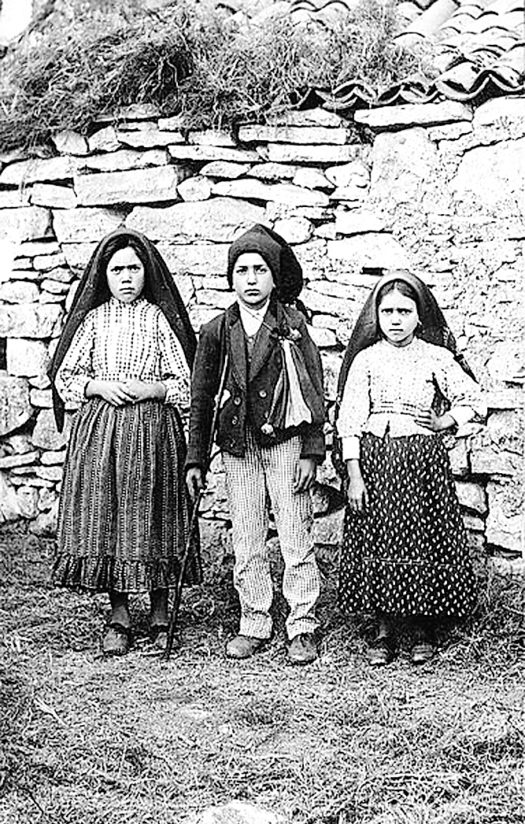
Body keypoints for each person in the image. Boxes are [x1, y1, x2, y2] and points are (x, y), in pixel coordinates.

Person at [49, 229, 200, 656]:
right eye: (117, 270)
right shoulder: (94, 320)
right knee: (110, 518)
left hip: (153, 431)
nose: (127, 277)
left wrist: (152, 389)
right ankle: (119, 615)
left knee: (154, 516)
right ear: (105, 275)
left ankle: (159, 612)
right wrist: (98, 385)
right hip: (103, 432)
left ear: (146, 272)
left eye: (134, 268)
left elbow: (185, 381)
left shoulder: (158, 319)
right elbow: (65, 377)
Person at [186, 224, 325, 665]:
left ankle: (302, 623)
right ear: (231, 277)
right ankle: (254, 620)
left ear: (273, 277)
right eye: (242, 270)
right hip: (238, 446)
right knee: (247, 535)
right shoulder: (216, 330)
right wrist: (196, 458)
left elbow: (313, 388)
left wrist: (311, 451)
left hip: (285, 443)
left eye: (260, 270)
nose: (251, 279)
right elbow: (201, 397)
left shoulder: (292, 325)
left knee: (294, 531)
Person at [335, 270, 485, 666]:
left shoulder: (435, 357)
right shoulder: (366, 359)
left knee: (421, 536)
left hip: (422, 463)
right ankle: (384, 628)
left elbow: (474, 399)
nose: (396, 320)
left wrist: (446, 420)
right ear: (376, 316)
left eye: (404, 311)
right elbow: (350, 421)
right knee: (381, 537)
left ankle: (422, 627)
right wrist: (354, 475)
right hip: (376, 461)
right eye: (387, 312)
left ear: (420, 316)